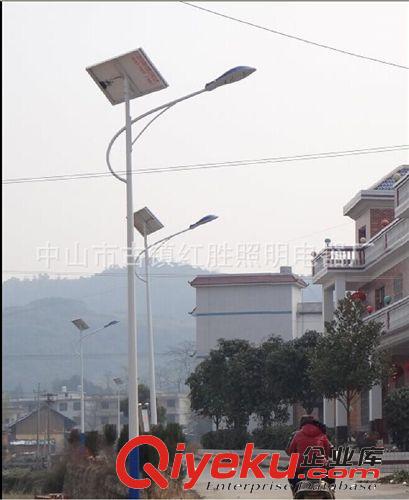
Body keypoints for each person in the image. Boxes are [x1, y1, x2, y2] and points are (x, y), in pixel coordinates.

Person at [286, 416, 332, 494]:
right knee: (331, 471)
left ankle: (295, 490)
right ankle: (331, 490)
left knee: (291, 474)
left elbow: (291, 451)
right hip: (320, 464)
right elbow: (328, 450)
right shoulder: (321, 434)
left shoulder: (297, 435)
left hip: (301, 466)